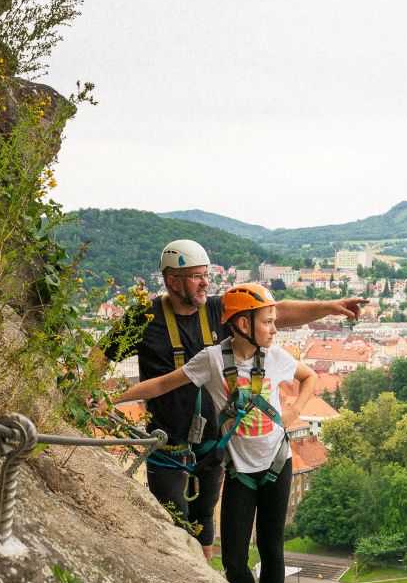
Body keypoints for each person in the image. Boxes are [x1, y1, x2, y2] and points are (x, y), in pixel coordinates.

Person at [99, 240, 364, 561]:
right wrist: (94, 392)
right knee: (175, 526)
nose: (205, 282)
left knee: (203, 524)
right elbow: (103, 354)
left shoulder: (216, 310)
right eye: (196, 276)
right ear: (172, 281)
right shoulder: (143, 319)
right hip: (167, 447)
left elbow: (278, 312)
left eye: (205, 275)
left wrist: (330, 307)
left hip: (213, 446)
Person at [115, 283, 315, 583]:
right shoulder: (211, 360)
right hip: (240, 470)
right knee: (234, 560)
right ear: (242, 325)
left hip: (275, 465)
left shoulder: (275, 357)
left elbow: (308, 378)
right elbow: (161, 384)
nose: (274, 328)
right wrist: (110, 399)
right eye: (267, 322)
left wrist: (294, 412)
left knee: (272, 550)